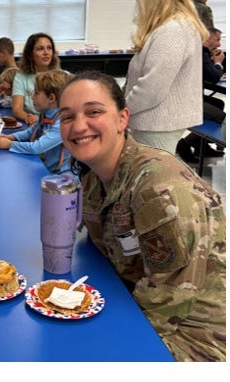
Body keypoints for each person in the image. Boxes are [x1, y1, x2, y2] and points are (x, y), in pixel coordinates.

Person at [58, 70, 225, 362]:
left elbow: (168, 304)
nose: (78, 126)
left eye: (94, 111)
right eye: (67, 117)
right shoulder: (94, 181)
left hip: (195, 336)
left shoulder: (160, 189)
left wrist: (98, 341)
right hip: (134, 300)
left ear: (123, 118)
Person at [124, 0, 209, 155]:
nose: (138, 2)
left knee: (151, 181)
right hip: (154, 123)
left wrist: (121, 110)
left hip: (156, 125)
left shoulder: (173, 29)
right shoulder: (172, 26)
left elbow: (151, 89)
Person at [0, 70, 71, 174]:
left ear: (51, 98)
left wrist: (10, 145)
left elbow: (37, 148)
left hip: (62, 178)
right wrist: (10, 137)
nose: (32, 97)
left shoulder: (63, 123)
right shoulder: (45, 114)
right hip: (45, 168)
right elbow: (31, 132)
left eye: (36, 93)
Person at [176, 26, 226, 162]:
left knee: (218, 103)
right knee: (221, 117)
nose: (219, 44)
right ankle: (185, 144)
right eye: (217, 40)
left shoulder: (200, 50)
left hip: (187, 95)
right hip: (185, 99)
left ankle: (201, 146)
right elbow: (213, 76)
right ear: (207, 39)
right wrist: (218, 63)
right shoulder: (200, 51)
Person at [13, 32, 62, 126]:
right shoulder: (21, 77)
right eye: (40, 49)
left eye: (49, 48)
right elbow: (17, 109)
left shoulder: (62, 76)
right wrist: (32, 119)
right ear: (30, 54)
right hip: (31, 125)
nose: (46, 53)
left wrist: (41, 120)